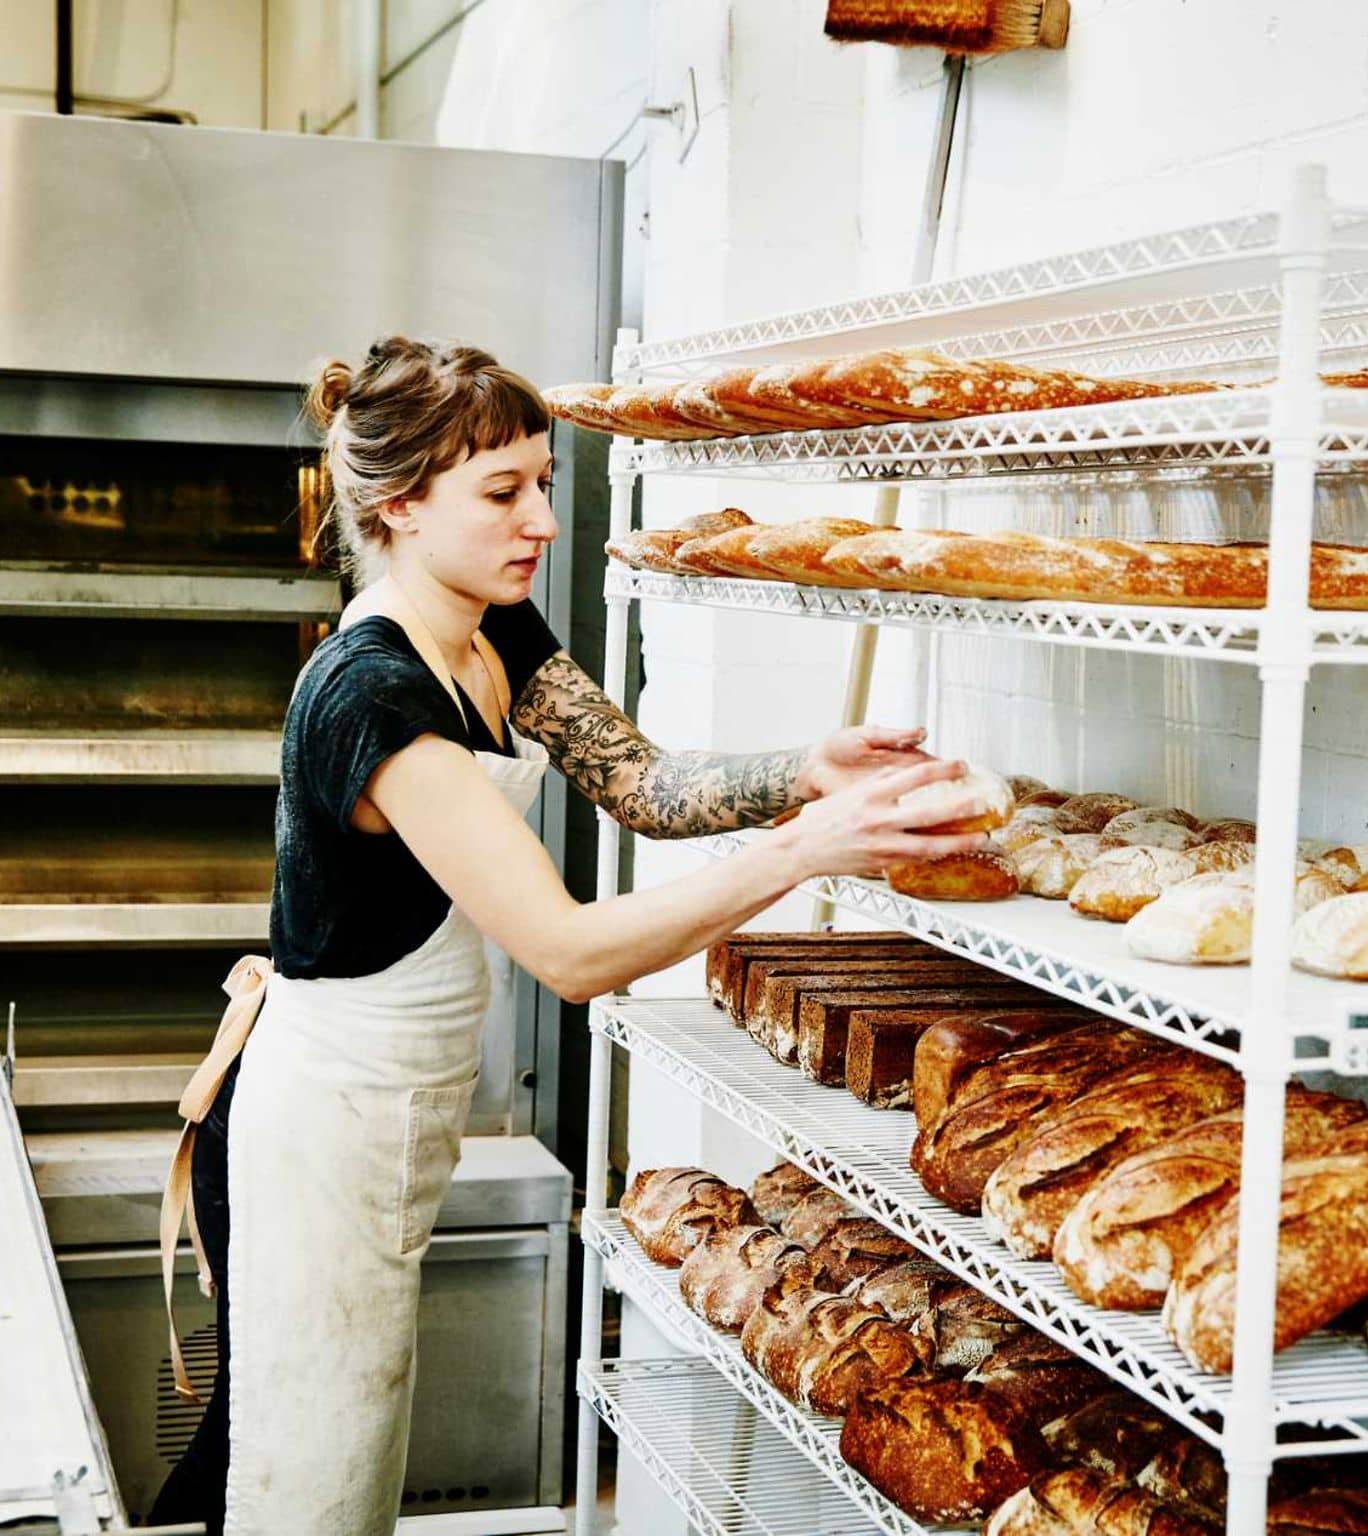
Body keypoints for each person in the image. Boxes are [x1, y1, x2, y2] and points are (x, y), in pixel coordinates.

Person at [148, 337, 987, 1536]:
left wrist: (803, 774)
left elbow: (637, 780)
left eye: (543, 480)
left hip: (395, 1108)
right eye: (503, 493)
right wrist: (806, 852)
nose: (542, 517)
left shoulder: (496, 634)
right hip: (316, 1129)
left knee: (347, 1451)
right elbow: (571, 952)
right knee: (309, 1484)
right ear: (400, 504)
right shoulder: (370, 696)